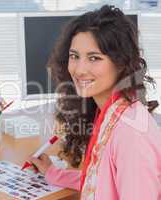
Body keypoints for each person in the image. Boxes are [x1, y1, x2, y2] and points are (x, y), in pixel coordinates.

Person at [28, 5, 161, 200]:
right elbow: (100, 180)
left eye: (94, 58)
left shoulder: (131, 133)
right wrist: (52, 173)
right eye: (74, 56)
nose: (80, 70)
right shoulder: (111, 113)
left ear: (120, 62)